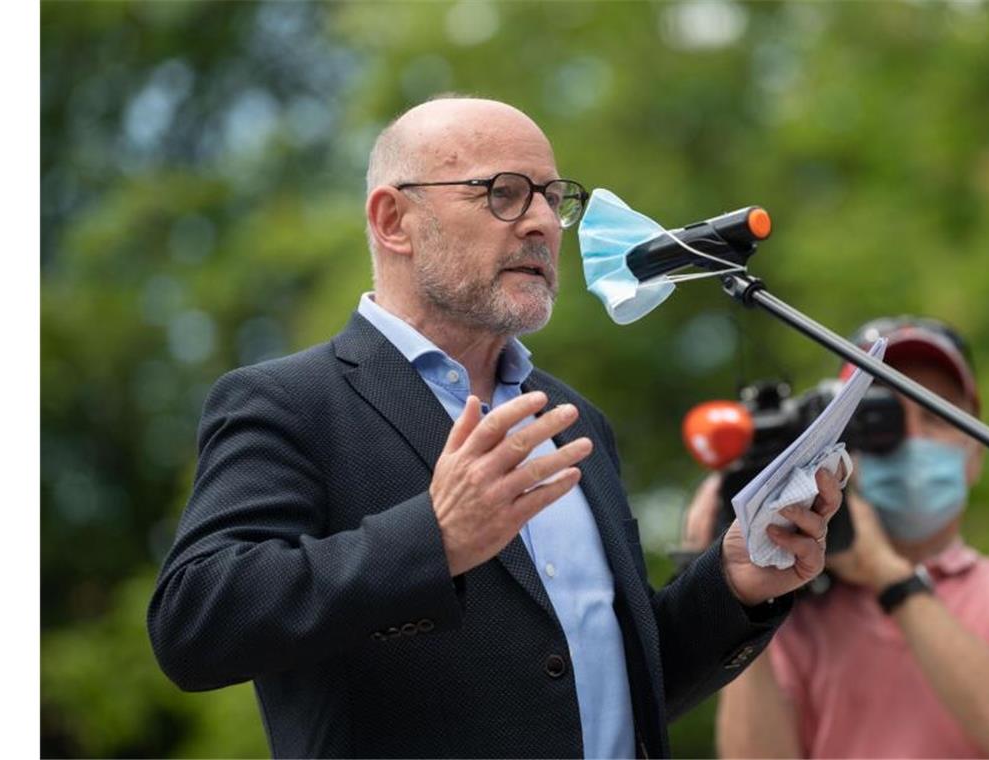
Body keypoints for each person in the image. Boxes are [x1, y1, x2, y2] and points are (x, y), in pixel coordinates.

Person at [147, 95, 845, 759]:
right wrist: (435, 540)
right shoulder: (291, 403)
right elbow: (195, 622)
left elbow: (606, 688)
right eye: (504, 193)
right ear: (394, 221)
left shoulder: (574, 421)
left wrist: (732, 583)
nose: (541, 223)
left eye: (552, 197)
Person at [682, 316, 989, 758]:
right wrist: (737, 599)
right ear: (840, 449)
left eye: (937, 416)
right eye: (884, 420)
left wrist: (885, 572)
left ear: (975, 455)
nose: (912, 439)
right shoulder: (789, 607)